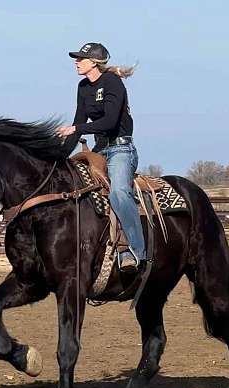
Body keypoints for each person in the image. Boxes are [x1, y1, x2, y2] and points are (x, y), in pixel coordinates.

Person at [56, 42, 146, 273]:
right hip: (99, 150)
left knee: (118, 192)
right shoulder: (83, 87)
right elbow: (79, 121)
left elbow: (110, 122)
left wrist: (75, 130)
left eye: (80, 58)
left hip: (121, 150)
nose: (76, 62)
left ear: (94, 62)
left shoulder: (112, 82)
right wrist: (58, 158)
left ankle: (135, 250)